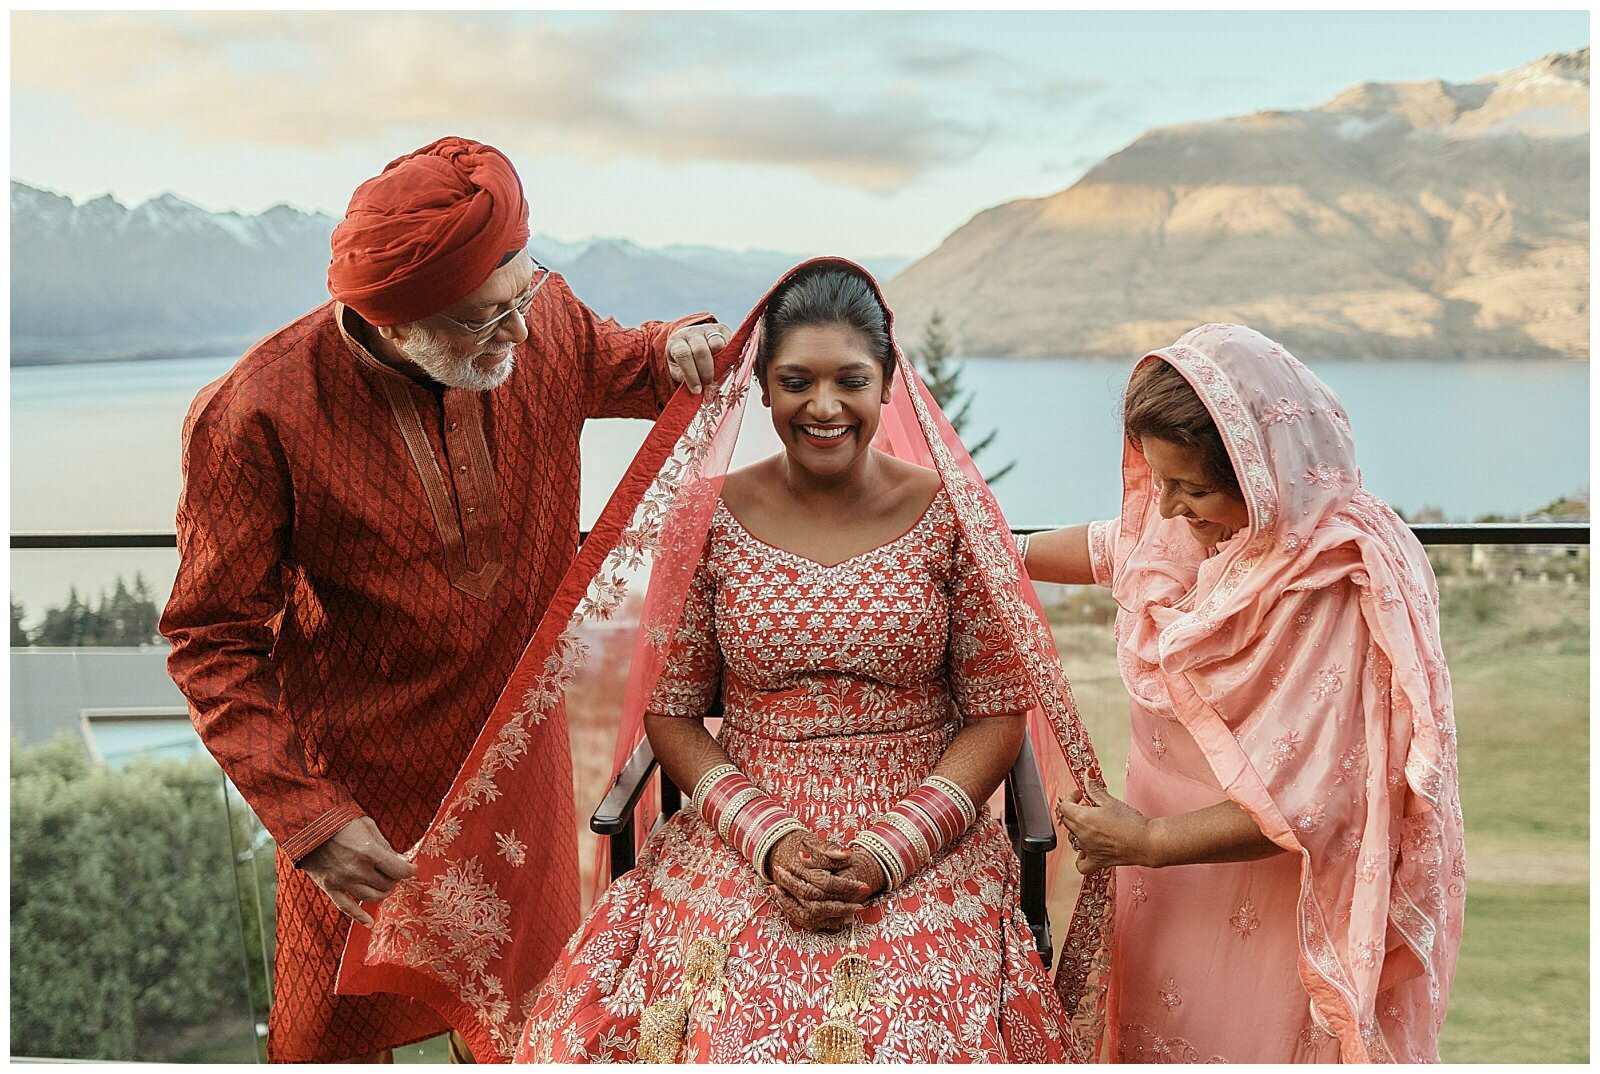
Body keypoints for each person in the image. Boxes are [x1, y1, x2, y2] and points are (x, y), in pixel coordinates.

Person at [335, 259, 1114, 1062]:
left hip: (923, 830)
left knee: (903, 1026)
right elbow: (671, 714)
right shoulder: (706, 517)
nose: (823, 406)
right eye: (795, 381)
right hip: (743, 829)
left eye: (850, 380)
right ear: (763, 391)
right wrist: (768, 839)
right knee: (728, 1023)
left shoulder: (949, 513)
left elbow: (995, 716)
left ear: (888, 387)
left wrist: (891, 850)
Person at [159, 135, 729, 1063]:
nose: (518, 334)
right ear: (392, 322)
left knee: (531, 1022)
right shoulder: (256, 413)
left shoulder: (533, 319)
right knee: (331, 1042)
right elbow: (209, 641)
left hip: (517, 762)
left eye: (523, 293)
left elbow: (621, 358)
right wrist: (312, 823)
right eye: (480, 323)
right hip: (356, 792)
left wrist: (677, 344)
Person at [1026, 324, 1465, 1062]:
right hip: (1158, 879)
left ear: (1264, 478)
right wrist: (986, 548)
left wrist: (1152, 842)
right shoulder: (1196, 533)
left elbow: (1322, 800)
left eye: (1193, 488)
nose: (1166, 508)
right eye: (1158, 479)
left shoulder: (1328, 586)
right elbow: (1112, 544)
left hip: (1269, 895)